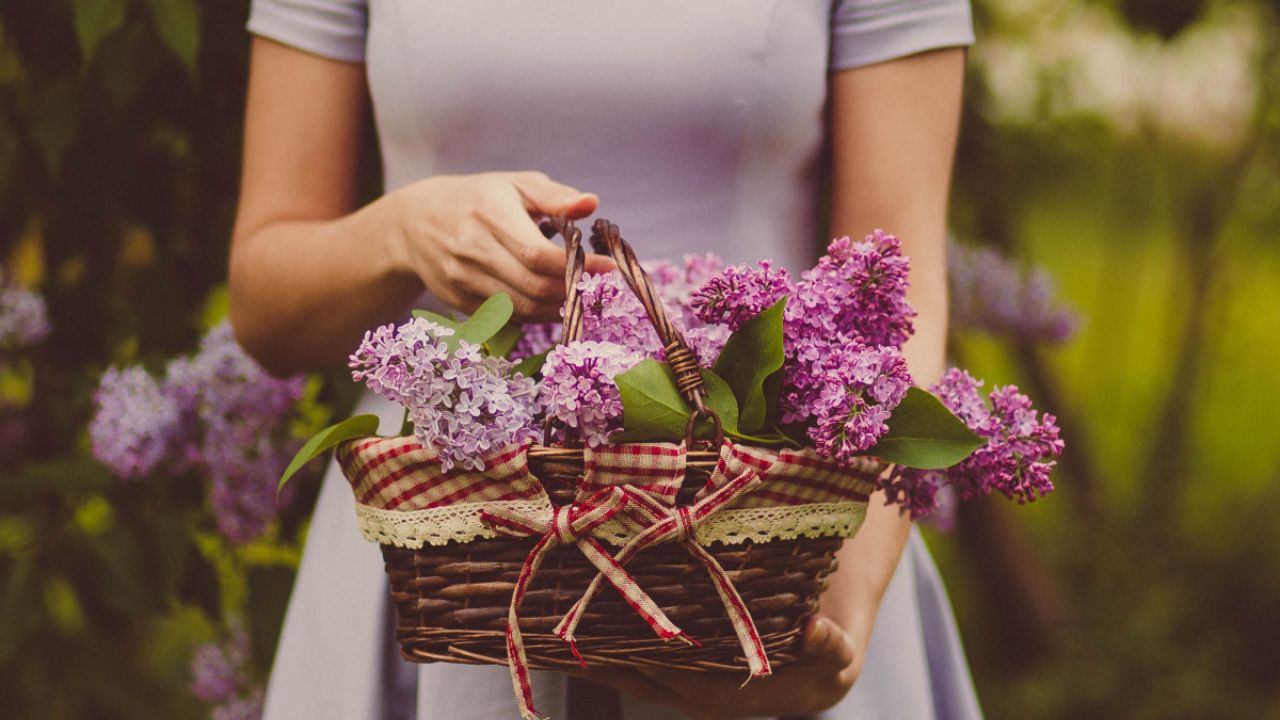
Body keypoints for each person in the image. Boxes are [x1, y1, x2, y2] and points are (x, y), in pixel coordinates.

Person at [228, 2, 981, 718]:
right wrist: (401, 232)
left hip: (774, 538)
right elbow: (266, 305)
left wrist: (833, 619)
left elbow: (898, 294)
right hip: (445, 529)